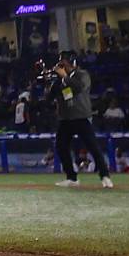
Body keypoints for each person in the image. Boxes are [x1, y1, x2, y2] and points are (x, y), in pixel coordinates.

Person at [49, 55, 114, 189]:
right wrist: (50, 80)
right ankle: (71, 177)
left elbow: (78, 88)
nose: (62, 67)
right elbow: (51, 96)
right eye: (60, 64)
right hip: (66, 118)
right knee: (61, 146)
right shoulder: (60, 79)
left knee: (93, 147)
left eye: (64, 64)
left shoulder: (82, 75)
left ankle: (105, 176)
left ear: (72, 64)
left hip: (81, 117)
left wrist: (65, 77)